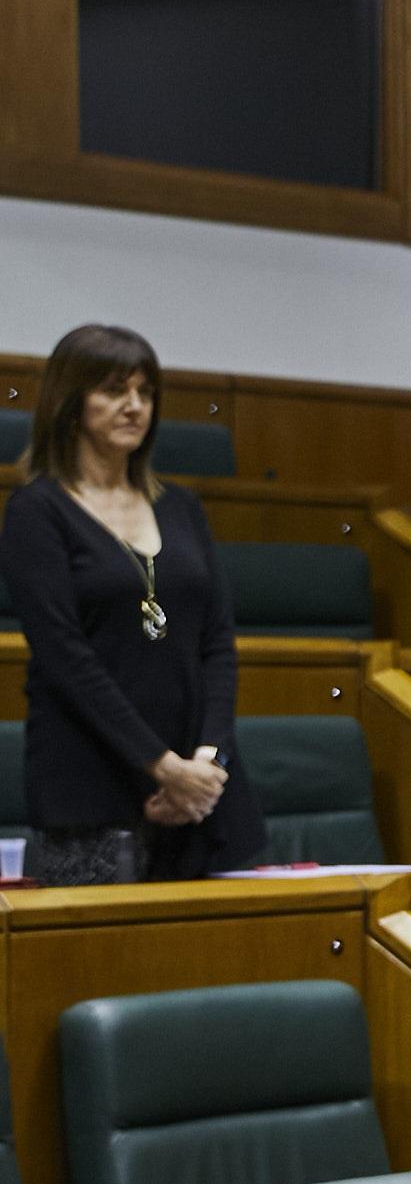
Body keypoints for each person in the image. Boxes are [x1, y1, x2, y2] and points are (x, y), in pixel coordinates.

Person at [0, 323, 257, 884]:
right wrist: (161, 767)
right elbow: (65, 657)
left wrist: (206, 764)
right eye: (115, 390)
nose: (134, 406)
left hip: (198, 794)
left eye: (145, 392)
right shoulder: (36, 512)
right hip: (90, 786)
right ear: (72, 403)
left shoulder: (183, 508)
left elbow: (216, 642)